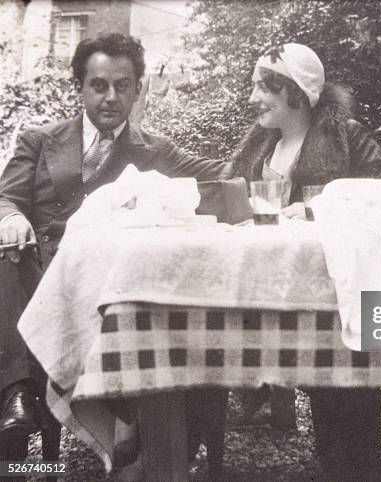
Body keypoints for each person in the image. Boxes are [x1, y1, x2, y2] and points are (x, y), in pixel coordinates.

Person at [0, 33, 229, 446]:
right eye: (99, 85)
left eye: (122, 86)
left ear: (138, 89)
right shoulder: (39, 139)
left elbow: (219, 176)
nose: (110, 97)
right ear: (81, 88)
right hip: (38, 269)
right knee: (7, 257)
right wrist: (13, 217)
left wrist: (277, 146)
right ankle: (18, 396)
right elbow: (5, 197)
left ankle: (130, 431)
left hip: (105, 282)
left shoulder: (154, 150)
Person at [230, 43, 381, 480]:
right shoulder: (259, 147)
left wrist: (319, 208)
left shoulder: (346, 135)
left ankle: (363, 470)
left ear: (297, 93)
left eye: (264, 88)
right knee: (319, 385)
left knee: (350, 388)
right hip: (280, 283)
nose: (252, 99)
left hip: (339, 285)